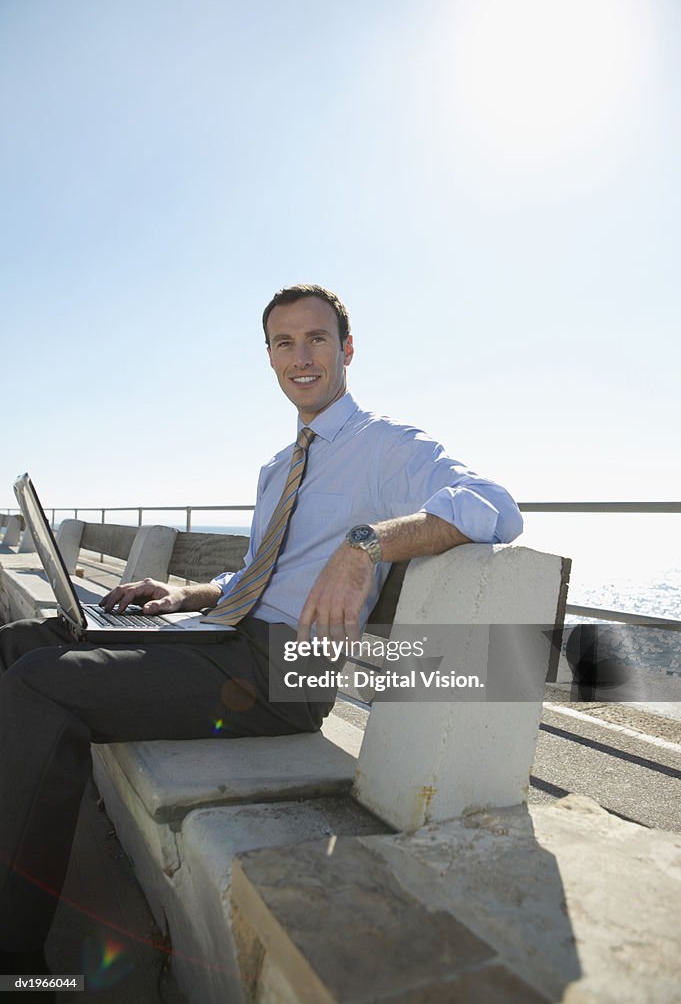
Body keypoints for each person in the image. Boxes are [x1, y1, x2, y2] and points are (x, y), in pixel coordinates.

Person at [0, 284, 523, 985]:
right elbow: (254, 572)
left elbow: (494, 506)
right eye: (283, 342)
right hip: (227, 640)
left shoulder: (387, 445)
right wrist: (183, 591)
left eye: (315, 339)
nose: (300, 356)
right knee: (24, 640)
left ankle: (16, 958)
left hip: (285, 674)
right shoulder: (279, 467)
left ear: (346, 349)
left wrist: (364, 543)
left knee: (42, 683)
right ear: (270, 356)